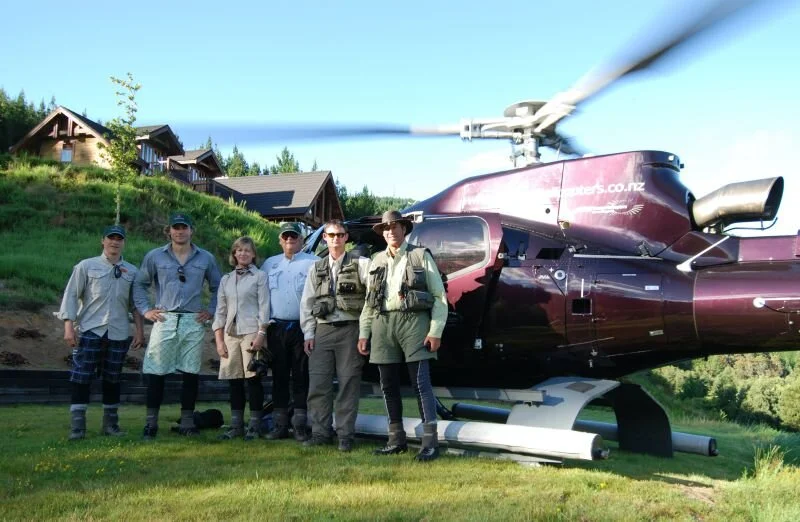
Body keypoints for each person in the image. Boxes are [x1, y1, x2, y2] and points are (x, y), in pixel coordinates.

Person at [357, 210, 448, 462]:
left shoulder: (420, 255)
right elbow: (368, 302)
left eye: (395, 226)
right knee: (387, 385)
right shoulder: (375, 260)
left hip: (414, 323)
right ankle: (395, 440)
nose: (390, 231)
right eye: (386, 228)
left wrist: (435, 331)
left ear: (404, 229)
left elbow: (439, 297)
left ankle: (430, 443)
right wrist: (364, 332)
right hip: (382, 322)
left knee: (420, 384)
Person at [133, 212, 221, 440]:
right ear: (169, 230)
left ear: (192, 230)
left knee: (191, 373)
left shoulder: (206, 258)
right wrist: (146, 311)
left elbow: (218, 287)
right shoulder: (155, 256)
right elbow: (140, 284)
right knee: (156, 372)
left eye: (184, 227)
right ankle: (150, 423)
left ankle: (188, 421)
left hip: (193, 319)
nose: (180, 231)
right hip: (165, 318)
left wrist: (210, 310)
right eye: (176, 227)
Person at [57, 224, 145, 440]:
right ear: (103, 241)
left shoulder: (132, 272)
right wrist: (68, 325)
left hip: (118, 332)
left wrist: (140, 331)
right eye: (111, 238)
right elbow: (71, 295)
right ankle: (78, 427)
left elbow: (135, 305)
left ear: (124, 243)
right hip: (90, 330)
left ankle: (110, 425)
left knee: (113, 378)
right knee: (81, 377)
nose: (115, 242)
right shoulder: (86, 266)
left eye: (119, 239)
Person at [300, 220, 370, 452]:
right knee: (318, 384)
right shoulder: (316, 268)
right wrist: (308, 333)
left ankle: (345, 436)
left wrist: (366, 331)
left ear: (346, 238)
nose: (336, 239)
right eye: (331, 235)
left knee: (349, 383)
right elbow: (307, 303)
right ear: (324, 238)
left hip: (351, 329)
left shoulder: (362, 264)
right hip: (322, 331)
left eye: (340, 235)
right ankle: (320, 433)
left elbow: (372, 299)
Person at [261, 222, 319, 441]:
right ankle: (279, 425)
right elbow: (262, 298)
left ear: (301, 240)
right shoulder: (269, 264)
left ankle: (301, 425)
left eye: (293, 236)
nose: (289, 240)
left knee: (301, 377)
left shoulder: (313, 263)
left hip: (302, 328)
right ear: (280, 240)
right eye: (285, 237)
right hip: (276, 328)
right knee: (279, 378)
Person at [212, 236, 270, 440]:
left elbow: (264, 306)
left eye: (247, 250)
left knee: (253, 379)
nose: (243, 254)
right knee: (234, 380)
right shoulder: (226, 279)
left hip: (251, 332)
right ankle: (236, 425)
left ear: (253, 254)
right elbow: (220, 311)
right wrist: (219, 340)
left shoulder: (260, 276)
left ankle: (254, 426)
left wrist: (261, 333)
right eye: (239, 250)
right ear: (234, 254)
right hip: (230, 334)